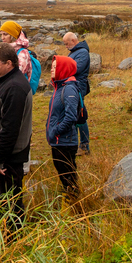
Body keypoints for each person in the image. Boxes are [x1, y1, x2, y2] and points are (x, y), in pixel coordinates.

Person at [0, 43, 33, 240]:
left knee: (10, 204)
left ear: (9, 63)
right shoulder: (7, 82)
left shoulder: (15, 87)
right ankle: (0, 239)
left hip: (8, 159)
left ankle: (13, 243)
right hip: (1, 155)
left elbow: (10, 129)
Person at [46, 55, 81, 204]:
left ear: (63, 69)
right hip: (59, 140)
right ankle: (70, 200)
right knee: (63, 173)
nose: (52, 70)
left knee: (68, 174)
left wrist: (56, 131)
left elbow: (71, 116)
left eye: (55, 67)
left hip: (65, 141)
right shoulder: (60, 87)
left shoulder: (68, 89)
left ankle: (74, 204)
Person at [62, 32, 91, 155]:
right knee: (75, 114)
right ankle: (74, 142)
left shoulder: (82, 52)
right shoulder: (75, 52)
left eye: (66, 43)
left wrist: (62, 67)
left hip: (78, 87)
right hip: (73, 86)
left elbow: (76, 68)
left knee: (80, 115)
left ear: (73, 40)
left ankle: (84, 146)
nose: (66, 46)